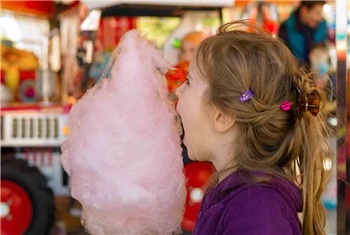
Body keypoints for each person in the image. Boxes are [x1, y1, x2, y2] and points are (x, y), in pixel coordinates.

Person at [175, 20, 332, 235]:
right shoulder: (238, 194)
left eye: (189, 82)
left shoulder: (255, 210)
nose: (177, 92)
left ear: (223, 116)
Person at [278, 1, 328, 67]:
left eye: (321, 12)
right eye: (317, 12)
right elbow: (283, 59)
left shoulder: (321, 25)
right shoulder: (285, 29)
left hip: (318, 73)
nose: (320, 17)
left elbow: (325, 44)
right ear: (304, 10)